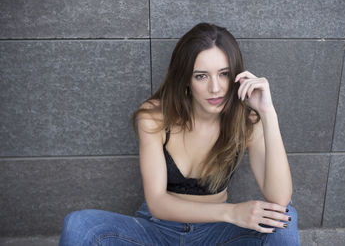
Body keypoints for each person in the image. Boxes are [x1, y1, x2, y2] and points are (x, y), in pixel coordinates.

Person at [59, 22, 300, 245]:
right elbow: (157, 203)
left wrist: (268, 113)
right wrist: (232, 212)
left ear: (235, 75)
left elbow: (279, 199)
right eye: (201, 76)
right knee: (79, 225)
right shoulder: (154, 117)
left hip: (216, 235)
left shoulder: (247, 121)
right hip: (156, 232)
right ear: (186, 79)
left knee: (284, 219)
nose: (215, 88)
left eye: (224, 74)